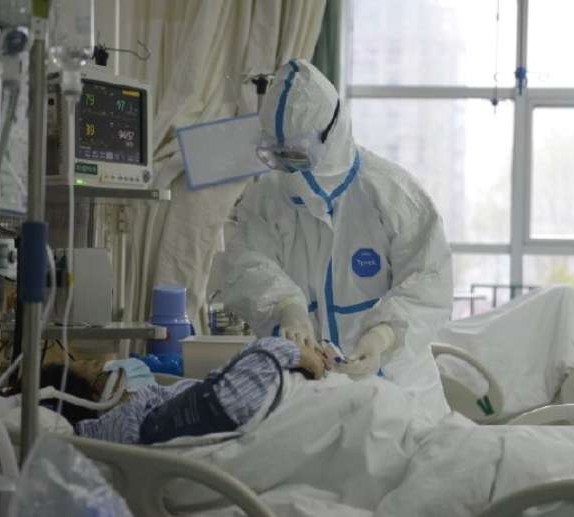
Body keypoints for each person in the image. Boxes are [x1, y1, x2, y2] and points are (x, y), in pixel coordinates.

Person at [220, 59, 453, 420]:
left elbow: (428, 281)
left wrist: (383, 336)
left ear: (333, 134)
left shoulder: (392, 195)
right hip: (306, 393)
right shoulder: (266, 199)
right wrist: (286, 307)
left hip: (401, 393)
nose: (292, 170)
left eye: (299, 155)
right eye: (279, 157)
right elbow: (247, 262)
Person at [35, 337, 329, 444]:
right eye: (91, 364)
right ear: (92, 392)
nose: (111, 358)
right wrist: (287, 351)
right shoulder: (131, 421)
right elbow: (226, 401)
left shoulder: (153, 399)